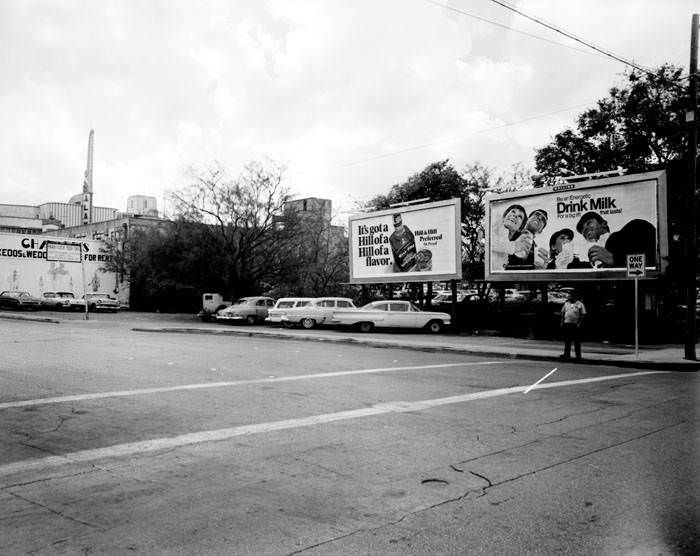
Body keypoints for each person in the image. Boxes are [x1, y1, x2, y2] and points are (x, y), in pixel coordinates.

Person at [576, 212, 656, 268]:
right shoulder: (590, 259)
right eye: (582, 230)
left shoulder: (634, 227)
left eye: (589, 223)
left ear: (604, 224)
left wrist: (615, 259)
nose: (585, 229)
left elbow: (654, 260)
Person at [491, 204, 528, 270]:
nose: (515, 215)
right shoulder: (493, 225)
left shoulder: (508, 251)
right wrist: (514, 247)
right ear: (504, 217)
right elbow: (489, 243)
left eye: (520, 216)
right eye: (513, 211)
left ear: (520, 228)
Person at [560, 291, 586, 360]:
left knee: (577, 341)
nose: (569, 297)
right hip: (567, 323)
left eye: (570, 296)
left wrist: (579, 323)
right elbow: (562, 313)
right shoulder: (566, 304)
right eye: (569, 296)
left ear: (575, 296)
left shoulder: (580, 304)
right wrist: (562, 322)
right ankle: (566, 354)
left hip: (575, 324)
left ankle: (578, 355)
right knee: (567, 340)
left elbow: (583, 314)